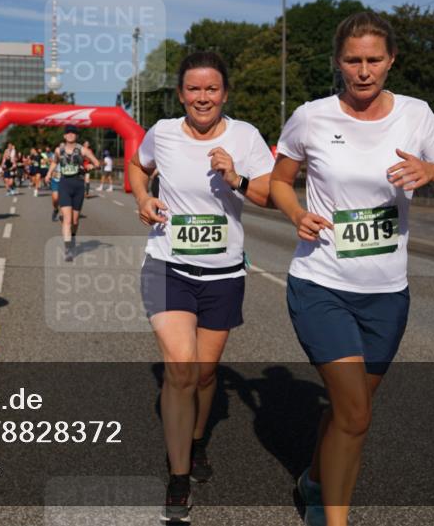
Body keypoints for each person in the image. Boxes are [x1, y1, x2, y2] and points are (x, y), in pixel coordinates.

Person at [270, 12, 434, 526]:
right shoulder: (312, 116)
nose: (363, 71)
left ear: (391, 60)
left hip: (387, 294)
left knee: (345, 412)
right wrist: (296, 213)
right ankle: (330, 516)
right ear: (339, 62)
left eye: (373, 60)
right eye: (353, 60)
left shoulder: (416, 115)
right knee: (357, 412)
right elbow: (278, 181)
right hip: (321, 283)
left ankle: (314, 479)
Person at [127, 51, 274, 523]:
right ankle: (178, 477)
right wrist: (143, 196)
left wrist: (236, 176)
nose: (202, 97)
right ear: (181, 94)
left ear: (224, 93)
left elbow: (269, 194)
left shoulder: (246, 136)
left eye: (211, 89)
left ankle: (196, 438)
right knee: (181, 370)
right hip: (167, 265)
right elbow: (136, 165)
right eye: (194, 89)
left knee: (207, 374)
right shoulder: (163, 133)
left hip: (224, 273)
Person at [51, 126, 100, 261]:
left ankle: (72, 238)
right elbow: (54, 162)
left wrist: (92, 166)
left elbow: (97, 163)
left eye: (73, 133)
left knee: (75, 220)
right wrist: (49, 173)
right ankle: (68, 249)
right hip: (64, 184)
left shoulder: (83, 150)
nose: (71, 135)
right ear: (64, 136)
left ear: (76, 136)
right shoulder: (58, 150)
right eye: (68, 133)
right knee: (67, 219)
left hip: (78, 185)